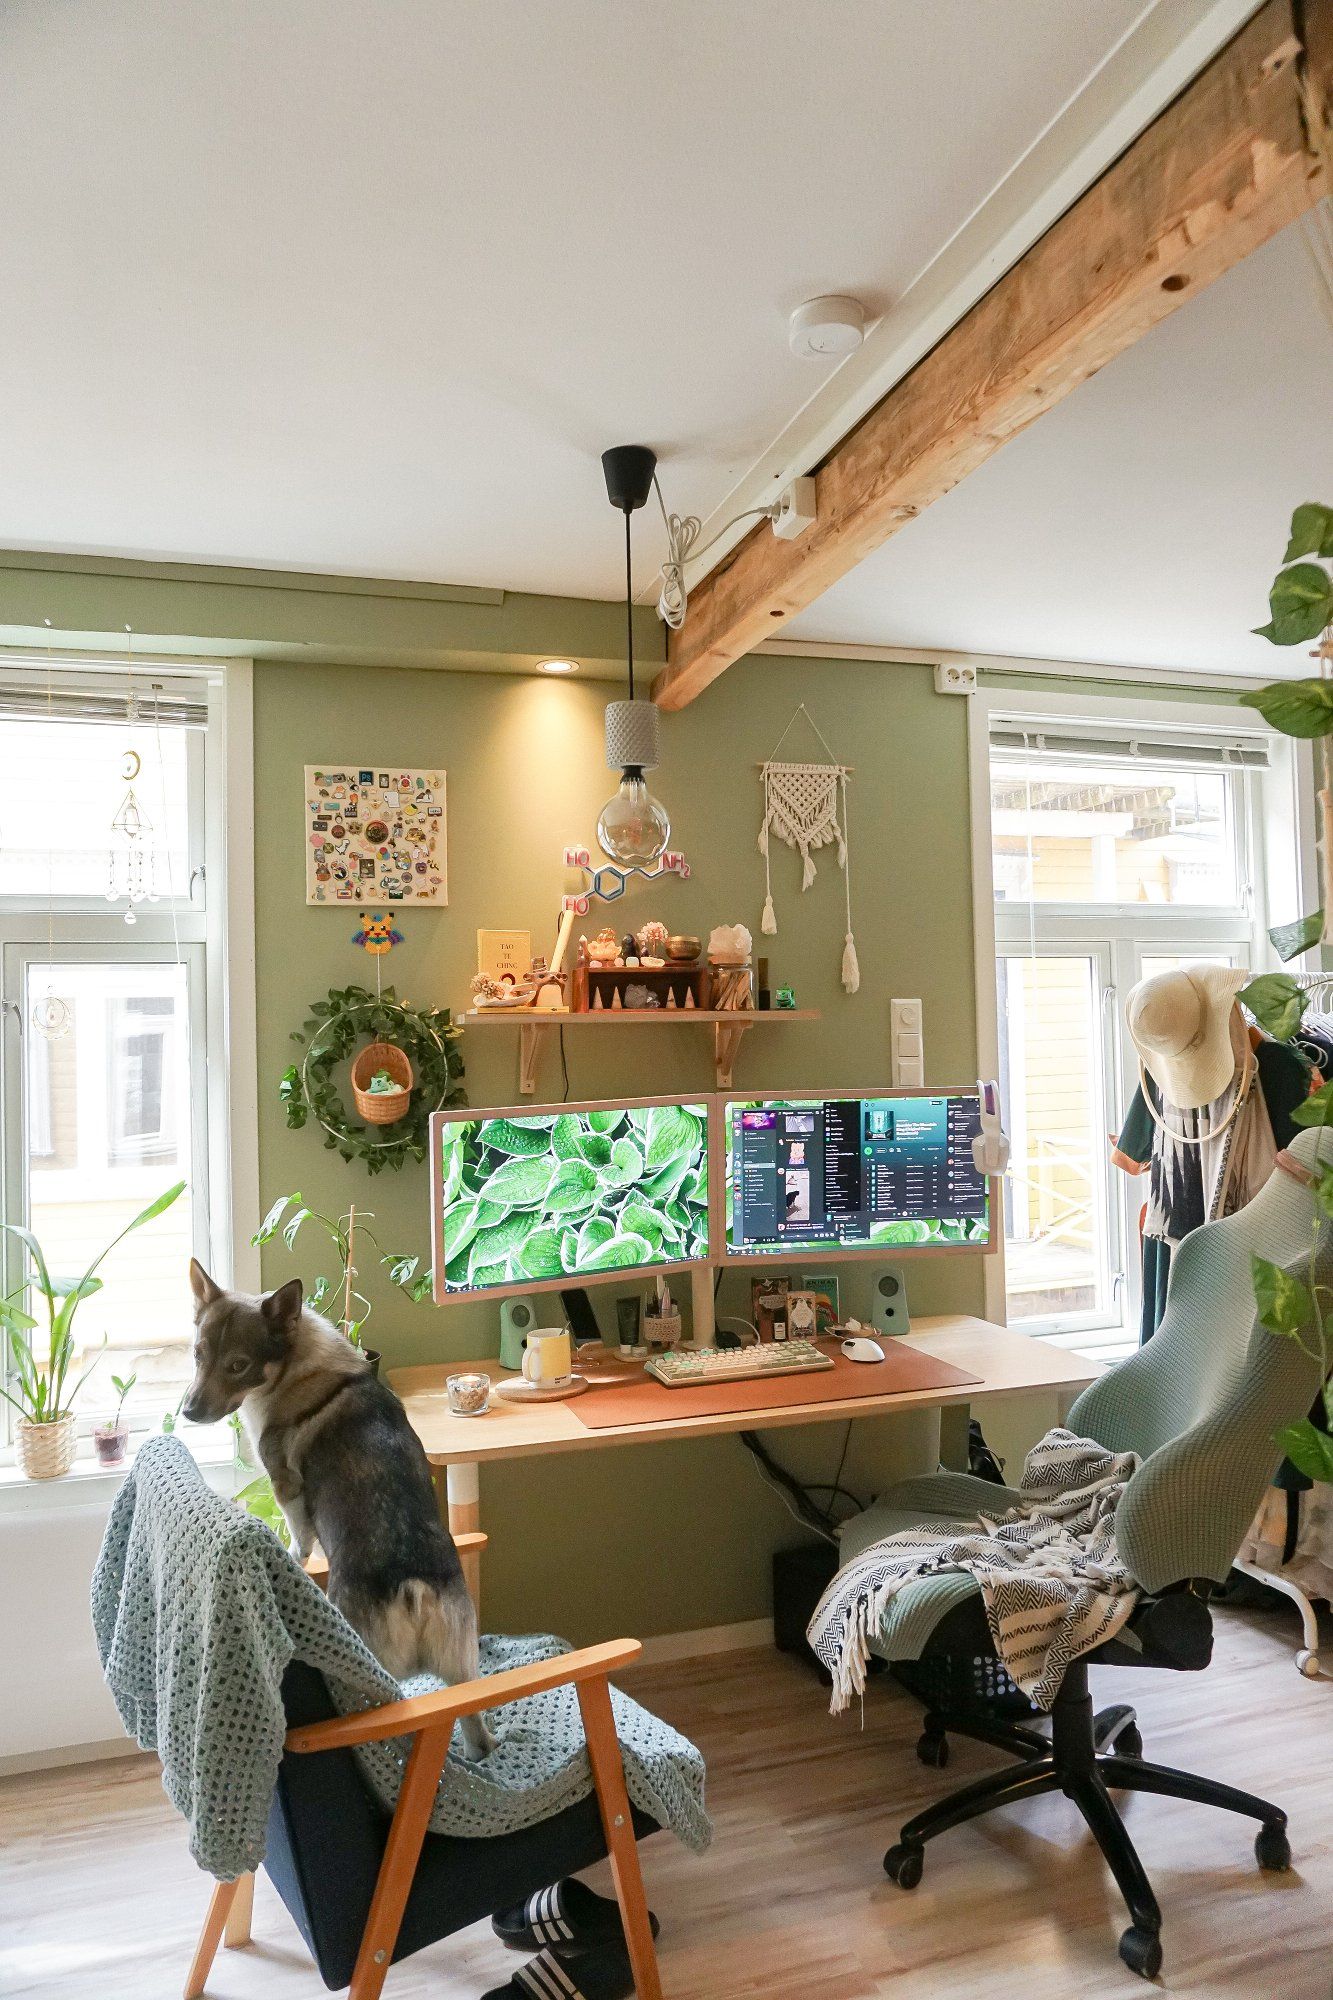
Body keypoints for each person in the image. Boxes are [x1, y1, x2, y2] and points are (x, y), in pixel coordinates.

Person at [1111, 964, 1310, 1342]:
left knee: (1174, 1359)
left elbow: (1130, 1157)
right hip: (1244, 1245)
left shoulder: (1160, 1066)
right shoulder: (1281, 1067)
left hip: (1173, 1235)